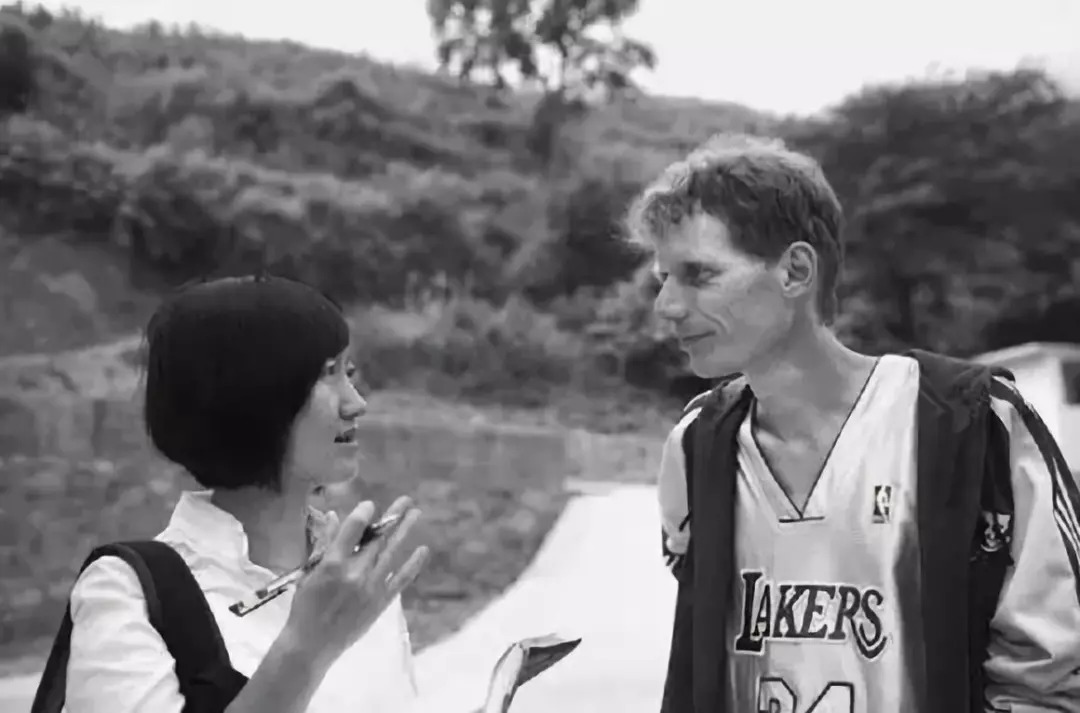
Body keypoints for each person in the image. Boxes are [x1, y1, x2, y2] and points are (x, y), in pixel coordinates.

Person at [626, 134, 1080, 713]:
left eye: (699, 274)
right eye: (663, 278)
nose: (666, 305)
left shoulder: (973, 422)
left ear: (795, 271)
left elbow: (1050, 677)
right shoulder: (697, 444)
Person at [63, 274, 429, 713]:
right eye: (327, 376)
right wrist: (308, 647)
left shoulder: (354, 580)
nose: (356, 403)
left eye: (348, 374)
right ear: (250, 395)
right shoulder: (126, 593)